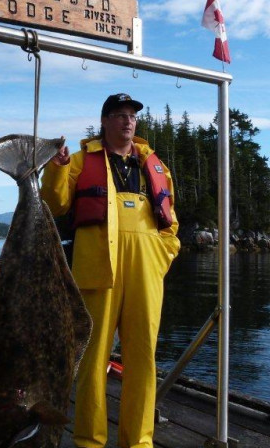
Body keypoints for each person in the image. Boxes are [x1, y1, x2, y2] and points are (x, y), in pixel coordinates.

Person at [40, 93, 181, 448]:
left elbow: (170, 223)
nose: (127, 121)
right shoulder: (78, 160)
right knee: (93, 360)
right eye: (119, 115)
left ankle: (139, 441)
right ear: (104, 121)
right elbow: (54, 204)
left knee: (143, 359)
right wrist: (55, 167)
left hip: (146, 272)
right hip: (96, 269)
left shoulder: (155, 165)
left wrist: (163, 255)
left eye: (132, 116)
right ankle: (90, 441)